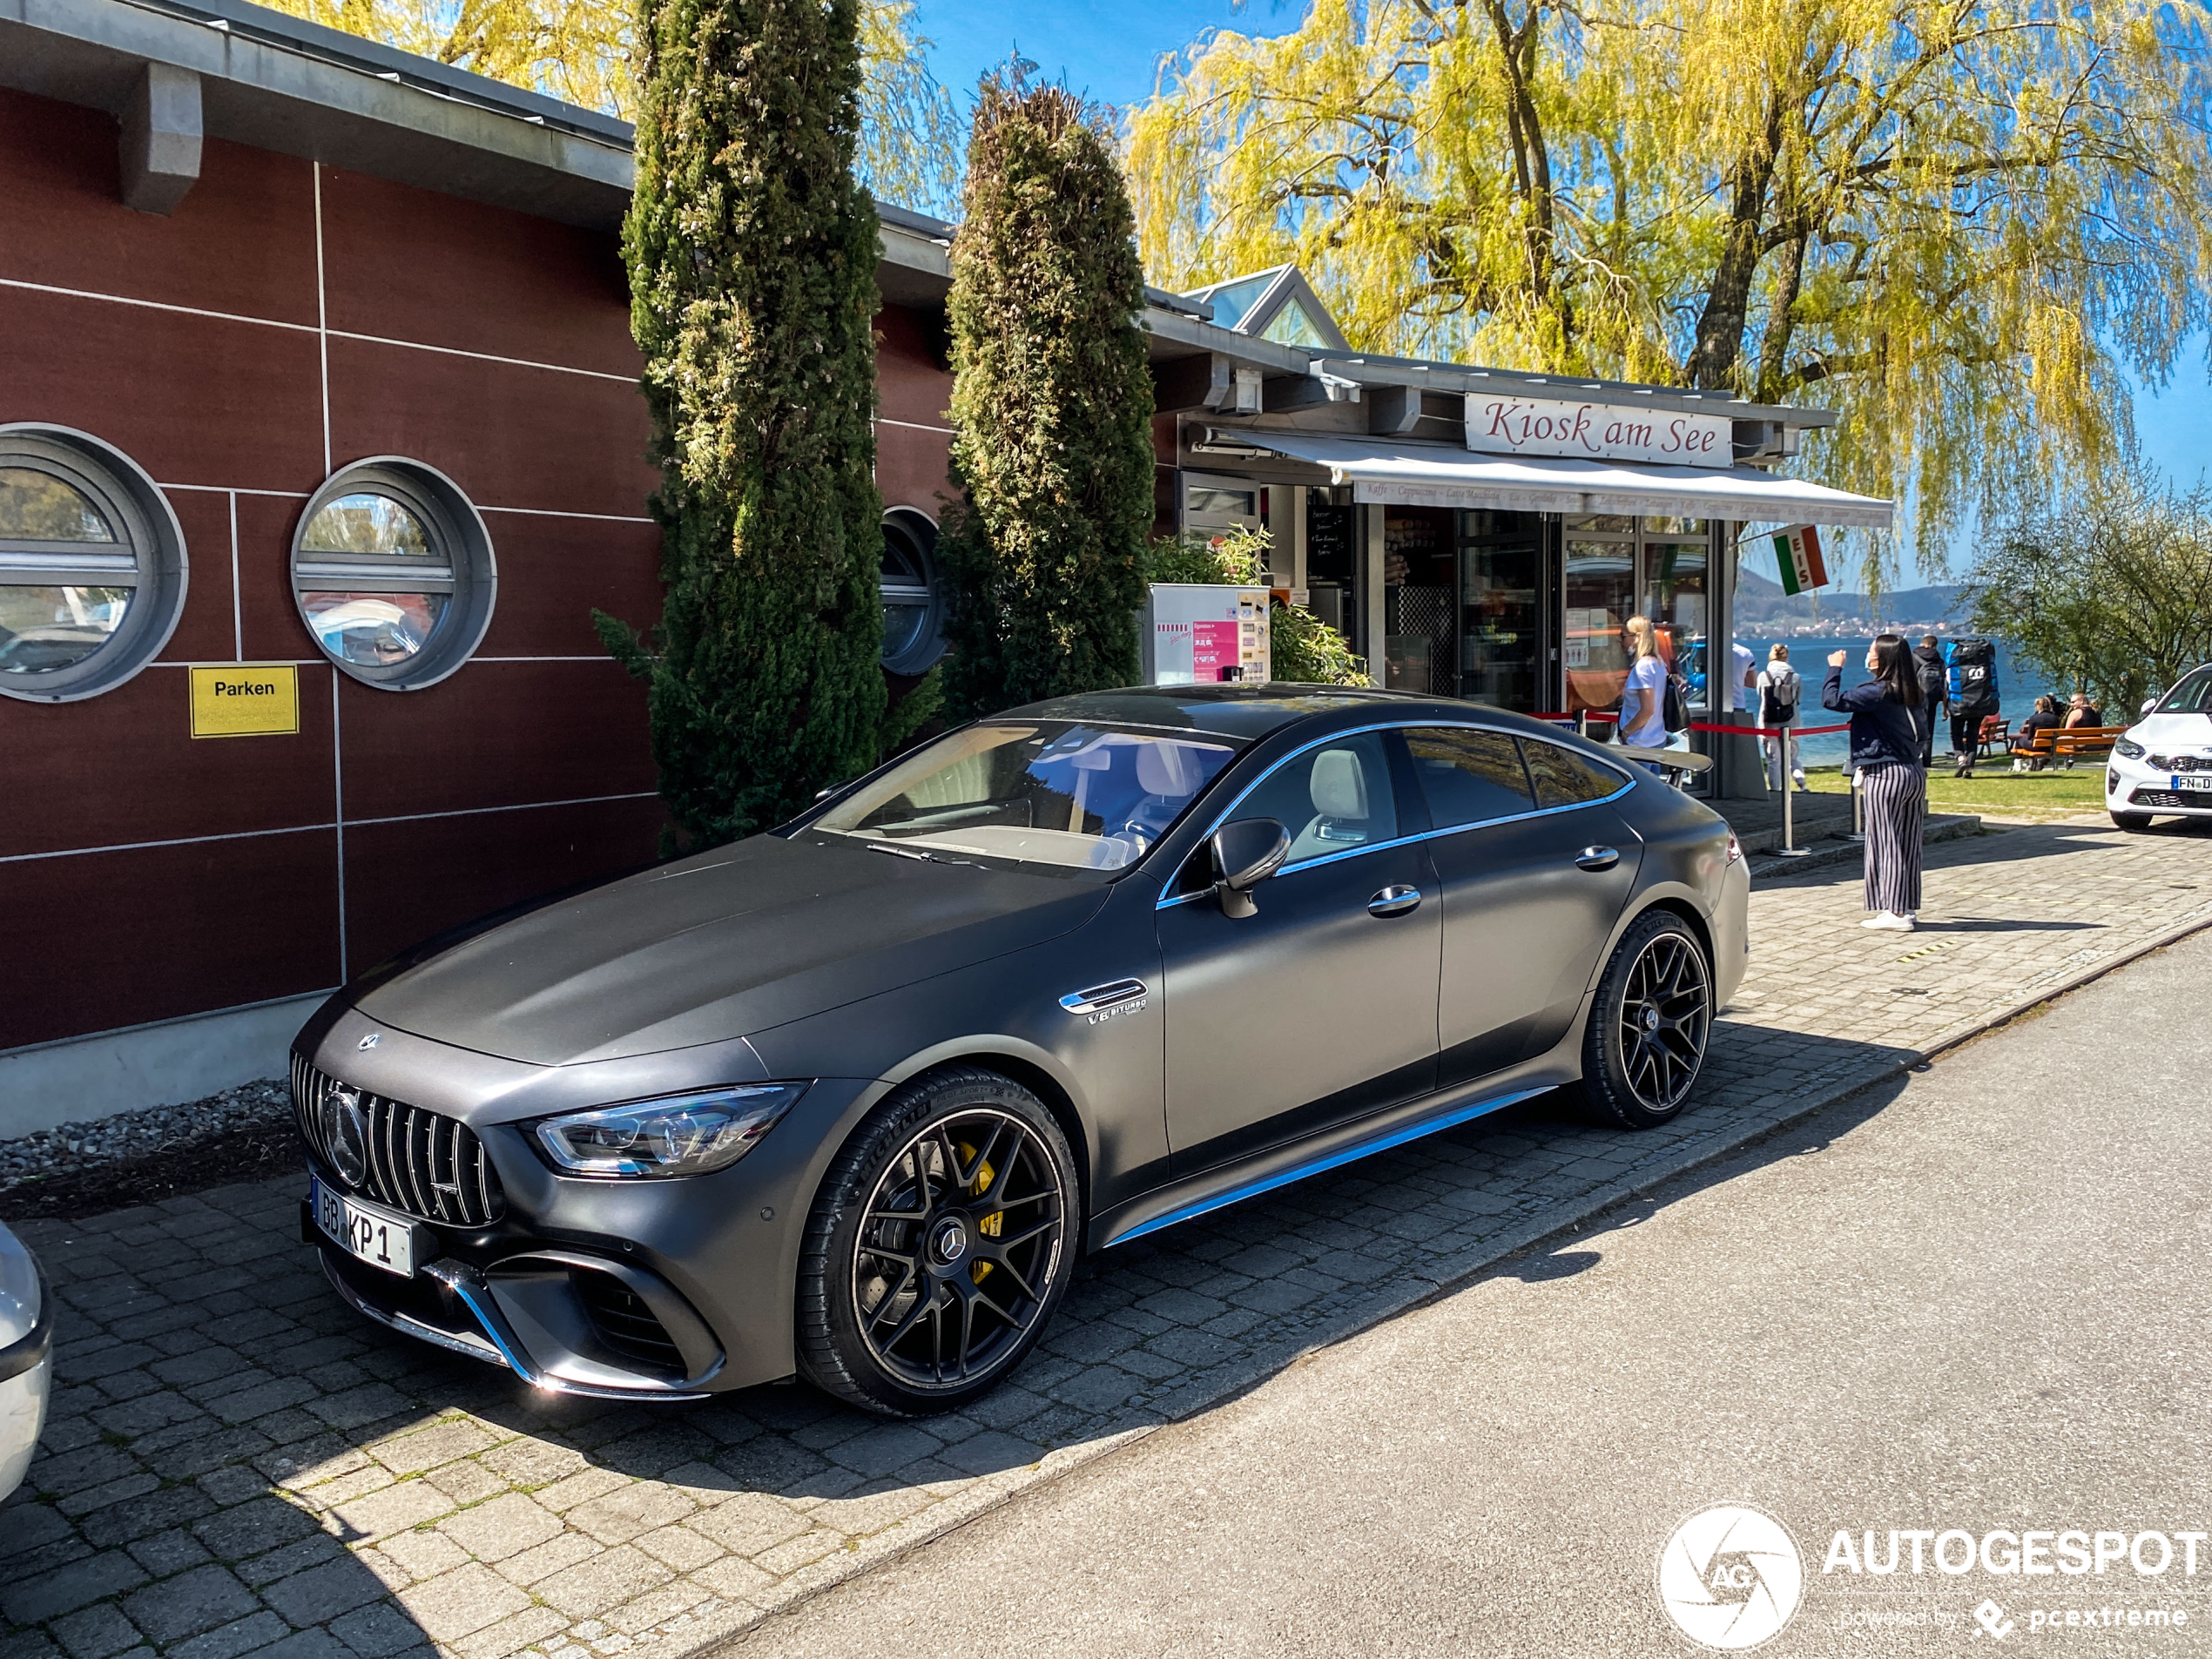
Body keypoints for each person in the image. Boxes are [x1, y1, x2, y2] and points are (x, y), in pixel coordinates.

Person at [1824, 635, 1926, 931]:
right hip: (1913, 771)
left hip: (1886, 773)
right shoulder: (1914, 691)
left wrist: (1835, 669)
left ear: (1883, 658)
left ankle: (1893, 912)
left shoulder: (1876, 692)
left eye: (1871, 651)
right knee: (1907, 843)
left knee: (1885, 841)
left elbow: (1832, 701)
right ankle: (1905, 906)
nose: (1867, 656)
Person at [1617, 615, 1676, 773]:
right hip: (1655, 739)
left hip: (1639, 744)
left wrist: (1626, 733)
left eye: (1623, 636)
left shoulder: (1642, 667)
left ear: (1637, 637)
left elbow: (1647, 709)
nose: (1620, 641)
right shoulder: (1658, 663)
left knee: (1638, 792)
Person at [1755, 644, 1805, 791]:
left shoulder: (1763, 676)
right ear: (1786, 657)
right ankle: (1801, 783)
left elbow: (1760, 695)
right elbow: (1798, 699)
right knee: (1792, 757)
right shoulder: (1795, 677)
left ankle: (1775, 789)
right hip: (1792, 720)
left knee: (1773, 759)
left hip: (1768, 721)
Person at [1912, 635, 1948, 767]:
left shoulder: (1914, 657)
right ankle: (1927, 760)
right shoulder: (1939, 660)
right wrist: (1945, 707)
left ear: (1922, 643)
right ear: (1935, 645)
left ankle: (1913, 757)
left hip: (1916, 697)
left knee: (1913, 728)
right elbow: (1944, 684)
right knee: (1929, 729)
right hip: (1933, 698)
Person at [2010, 694, 2062, 770]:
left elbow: (2030, 736)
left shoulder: (2034, 718)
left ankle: (2018, 763)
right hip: (2050, 747)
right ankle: (2031, 764)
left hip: (2037, 747)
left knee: (2019, 740)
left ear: (2038, 706)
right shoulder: (2055, 718)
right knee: (2025, 740)